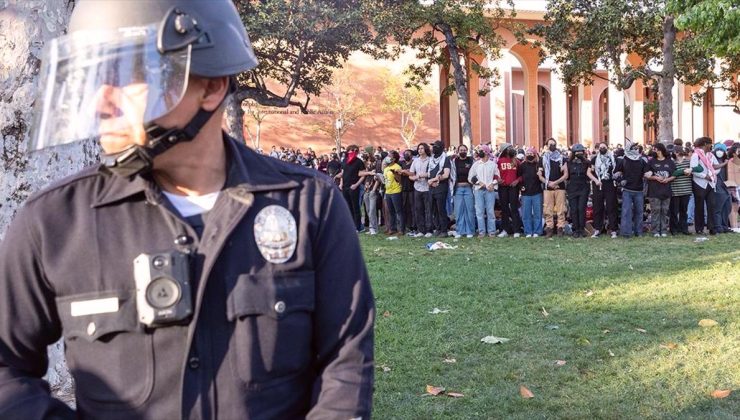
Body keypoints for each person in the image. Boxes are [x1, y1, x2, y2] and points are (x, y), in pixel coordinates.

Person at [0, 1, 376, 419]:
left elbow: (345, 362)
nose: (102, 102)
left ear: (212, 86)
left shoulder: (309, 204)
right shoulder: (53, 222)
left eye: (125, 76)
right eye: (95, 80)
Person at [616, 142, 650, 237]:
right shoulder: (623, 160)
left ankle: (638, 232)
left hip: (639, 190)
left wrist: (649, 173)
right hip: (627, 190)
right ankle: (626, 232)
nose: (636, 149)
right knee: (626, 212)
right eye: (634, 147)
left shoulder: (642, 160)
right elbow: (615, 174)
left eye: (636, 147)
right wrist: (621, 180)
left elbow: (646, 171)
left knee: (639, 212)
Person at [587, 142, 619, 238]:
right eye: (600, 147)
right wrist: (596, 180)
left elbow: (619, 170)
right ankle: (597, 229)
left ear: (607, 148)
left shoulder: (613, 158)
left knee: (611, 207)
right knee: (597, 207)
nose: (602, 149)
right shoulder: (594, 160)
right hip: (598, 185)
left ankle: (613, 230)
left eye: (604, 147)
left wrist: (617, 175)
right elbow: (589, 173)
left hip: (610, 185)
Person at [468, 145, 499, 237]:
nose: (479, 152)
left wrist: (492, 184)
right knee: (479, 211)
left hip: (490, 191)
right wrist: (478, 183)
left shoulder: (493, 164)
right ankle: (481, 231)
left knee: (490, 211)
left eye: (481, 150)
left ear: (486, 152)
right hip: (478, 190)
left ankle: (492, 231)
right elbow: (470, 177)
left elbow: (497, 176)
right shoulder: (476, 164)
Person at [646, 143, 676, 237]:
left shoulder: (669, 162)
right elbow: (646, 175)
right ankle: (655, 231)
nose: (656, 151)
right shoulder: (651, 162)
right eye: (655, 150)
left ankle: (663, 230)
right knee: (656, 210)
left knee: (664, 210)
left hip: (666, 190)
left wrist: (668, 179)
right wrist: (655, 177)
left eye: (658, 149)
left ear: (662, 150)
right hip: (654, 190)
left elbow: (675, 174)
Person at [690, 137, 719, 235]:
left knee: (712, 205)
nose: (711, 146)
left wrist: (712, 173)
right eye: (710, 144)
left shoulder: (711, 155)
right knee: (699, 206)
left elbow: (716, 166)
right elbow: (693, 169)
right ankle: (699, 228)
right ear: (706, 144)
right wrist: (704, 175)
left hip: (710, 183)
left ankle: (712, 227)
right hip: (699, 183)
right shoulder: (696, 155)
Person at [541, 138, 568, 237]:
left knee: (561, 209)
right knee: (548, 209)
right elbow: (540, 175)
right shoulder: (543, 158)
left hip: (560, 187)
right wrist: (548, 183)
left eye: (554, 143)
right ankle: (549, 228)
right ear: (546, 146)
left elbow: (565, 175)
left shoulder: (562, 158)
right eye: (550, 144)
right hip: (548, 188)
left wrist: (555, 182)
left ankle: (560, 228)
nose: (552, 145)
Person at [336, 144, 366, 232]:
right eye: (351, 150)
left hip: (354, 187)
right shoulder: (344, 161)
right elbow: (343, 173)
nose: (353, 151)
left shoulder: (359, 162)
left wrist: (356, 184)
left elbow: (363, 175)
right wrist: (341, 183)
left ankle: (357, 227)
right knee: (348, 207)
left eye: (355, 150)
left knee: (355, 207)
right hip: (345, 186)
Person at [496, 143, 522, 238]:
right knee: (504, 209)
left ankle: (517, 230)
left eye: (512, 147)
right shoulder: (499, 161)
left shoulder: (517, 161)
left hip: (513, 187)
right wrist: (497, 178)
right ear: (504, 150)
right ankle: (505, 230)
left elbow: (521, 174)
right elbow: (495, 172)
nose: (511, 149)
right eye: (509, 148)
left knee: (514, 208)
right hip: (503, 187)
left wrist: (517, 181)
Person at [565, 144, 591, 238]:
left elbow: (589, 166)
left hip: (583, 187)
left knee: (581, 208)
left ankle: (582, 228)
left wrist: (583, 159)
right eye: (577, 152)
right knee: (574, 209)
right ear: (573, 153)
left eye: (581, 152)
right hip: (572, 188)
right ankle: (575, 229)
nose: (579, 154)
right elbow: (566, 175)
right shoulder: (569, 163)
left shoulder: (586, 162)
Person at [409, 142, 434, 238]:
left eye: (422, 148)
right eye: (419, 148)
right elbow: (411, 174)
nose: (420, 150)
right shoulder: (415, 161)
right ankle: (420, 230)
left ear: (426, 149)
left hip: (427, 187)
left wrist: (422, 175)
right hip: (417, 187)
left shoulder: (430, 160)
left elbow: (432, 173)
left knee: (428, 209)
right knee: (418, 209)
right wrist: (414, 178)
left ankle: (429, 230)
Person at [518, 147, 543, 237]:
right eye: (527, 154)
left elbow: (542, 179)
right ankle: (528, 231)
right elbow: (519, 178)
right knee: (526, 214)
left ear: (535, 154)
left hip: (537, 192)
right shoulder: (522, 166)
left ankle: (537, 231)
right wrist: (521, 187)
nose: (529, 155)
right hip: (525, 194)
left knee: (538, 213)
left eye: (531, 153)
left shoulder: (538, 165)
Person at [428, 141, 451, 237]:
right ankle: (437, 228)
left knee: (441, 209)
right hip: (431, 188)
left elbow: (446, 175)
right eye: (433, 146)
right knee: (433, 210)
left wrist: (433, 180)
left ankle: (444, 230)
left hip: (441, 188)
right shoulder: (431, 160)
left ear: (441, 148)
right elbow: (428, 173)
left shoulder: (446, 159)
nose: (433, 148)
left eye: (436, 147)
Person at [451, 144, 475, 238]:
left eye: (464, 150)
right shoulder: (454, 161)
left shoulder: (471, 161)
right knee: (459, 210)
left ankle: (470, 231)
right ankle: (460, 231)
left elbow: (475, 173)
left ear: (467, 151)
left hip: (469, 188)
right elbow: (452, 175)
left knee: (469, 210)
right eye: (461, 150)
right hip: (458, 189)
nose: (463, 151)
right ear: (458, 151)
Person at [669, 146, 693, 235]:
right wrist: (682, 171)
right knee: (674, 211)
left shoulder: (688, 162)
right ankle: (673, 229)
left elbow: (694, 170)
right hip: (675, 190)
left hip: (686, 190)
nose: (674, 153)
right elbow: (671, 174)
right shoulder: (672, 163)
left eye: (675, 152)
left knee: (684, 211)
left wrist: (690, 171)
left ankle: (684, 228)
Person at [711, 143, 732, 233]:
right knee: (718, 209)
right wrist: (724, 163)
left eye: (722, 150)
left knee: (727, 208)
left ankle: (724, 226)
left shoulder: (726, 162)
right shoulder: (713, 161)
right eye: (718, 150)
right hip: (718, 187)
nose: (719, 152)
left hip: (727, 188)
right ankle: (718, 226)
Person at [383, 151, 405, 235]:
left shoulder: (397, 167)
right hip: (388, 191)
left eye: (390, 156)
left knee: (398, 211)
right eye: (388, 155)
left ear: (394, 159)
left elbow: (400, 179)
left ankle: (401, 229)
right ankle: (392, 228)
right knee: (390, 211)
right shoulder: (386, 168)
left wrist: (395, 173)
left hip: (396, 191)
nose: (388, 157)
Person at [399, 149, 417, 235]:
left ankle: (414, 226)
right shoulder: (401, 163)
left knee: (413, 208)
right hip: (403, 189)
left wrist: (405, 172)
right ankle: (407, 225)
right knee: (405, 208)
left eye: (408, 154)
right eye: (405, 153)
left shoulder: (414, 163)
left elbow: (413, 173)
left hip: (412, 189)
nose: (406, 155)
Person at [362, 156, 380, 235]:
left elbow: (377, 179)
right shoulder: (367, 170)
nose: (368, 163)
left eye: (369, 161)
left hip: (373, 191)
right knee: (368, 210)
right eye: (367, 162)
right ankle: (371, 227)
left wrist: (373, 190)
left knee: (372, 210)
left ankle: (373, 228)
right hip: (366, 190)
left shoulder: (376, 168)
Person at [727, 144, 740, 232]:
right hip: (733, 186)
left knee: (736, 207)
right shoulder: (732, 161)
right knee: (733, 207)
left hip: (736, 186)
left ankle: (735, 226)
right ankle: (734, 226)